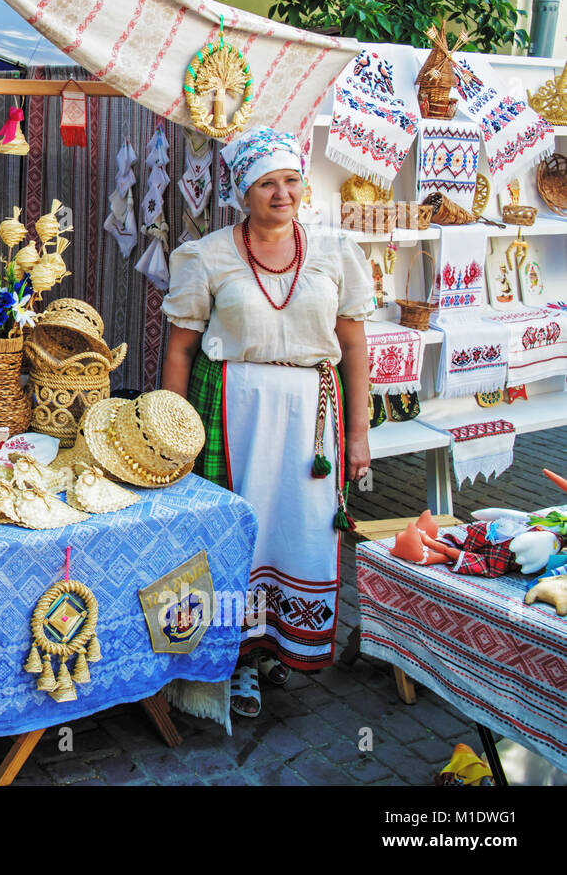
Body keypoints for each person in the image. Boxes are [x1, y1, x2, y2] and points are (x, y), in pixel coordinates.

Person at [161, 127, 373, 718]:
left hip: (312, 420)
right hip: (233, 410)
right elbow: (180, 350)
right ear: (241, 193)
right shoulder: (207, 255)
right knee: (237, 535)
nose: (283, 194)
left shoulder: (334, 252)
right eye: (266, 184)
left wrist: (358, 434)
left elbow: (354, 348)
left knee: (297, 530)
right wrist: (170, 435)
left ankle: (278, 641)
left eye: (290, 181)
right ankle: (234, 660)